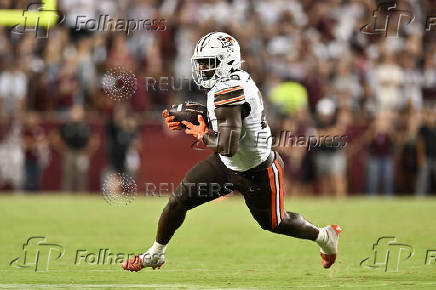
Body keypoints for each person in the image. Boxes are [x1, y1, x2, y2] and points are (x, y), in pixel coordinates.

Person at [121, 32, 341, 272]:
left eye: (210, 62)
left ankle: (324, 237)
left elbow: (228, 144)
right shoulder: (231, 81)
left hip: (257, 170)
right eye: (201, 62)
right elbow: (227, 126)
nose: (203, 68)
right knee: (178, 201)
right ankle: (156, 253)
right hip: (227, 165)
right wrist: (204, 117)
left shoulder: (230, 88)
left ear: (227, 60)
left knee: (276, 222)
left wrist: (200, 132)